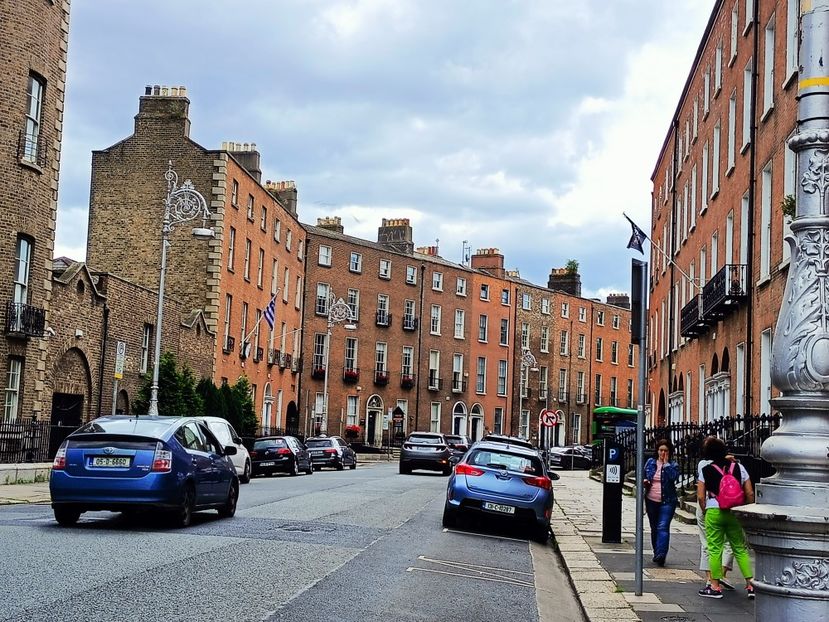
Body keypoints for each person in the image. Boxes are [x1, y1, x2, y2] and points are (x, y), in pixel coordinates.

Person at [697, 437, 755, 599]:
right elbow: (750, 492)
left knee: (715, 548)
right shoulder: (739, 467)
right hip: (734, 512)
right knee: (740, 548)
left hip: (714, 511)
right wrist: (746, 509)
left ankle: (714, 587)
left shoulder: (706, 470)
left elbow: (701, 496)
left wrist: (706, 510)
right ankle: (751, 584)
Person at [696, 436, 735, 590]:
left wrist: (704, 509)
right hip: (727, 505)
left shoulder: (702, 465)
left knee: (707, 542)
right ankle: (722, 573)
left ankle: (710, 578)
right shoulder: (732, 465)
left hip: (707, 505)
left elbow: (700, 495)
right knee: (729, 542)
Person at [643, 439, 680, 566]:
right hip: (651, 499)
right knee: (654, 527)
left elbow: (674, 477)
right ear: (657, 451)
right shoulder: (650, 462)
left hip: (668, 501)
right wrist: (645, 482)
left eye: (665, 450)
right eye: (661, 450)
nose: (663, 453)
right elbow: (643, 475)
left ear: (669, 452)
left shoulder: (673, 465)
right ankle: (656, 552)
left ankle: (661, 554)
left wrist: (666, 464)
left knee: (663, 526)